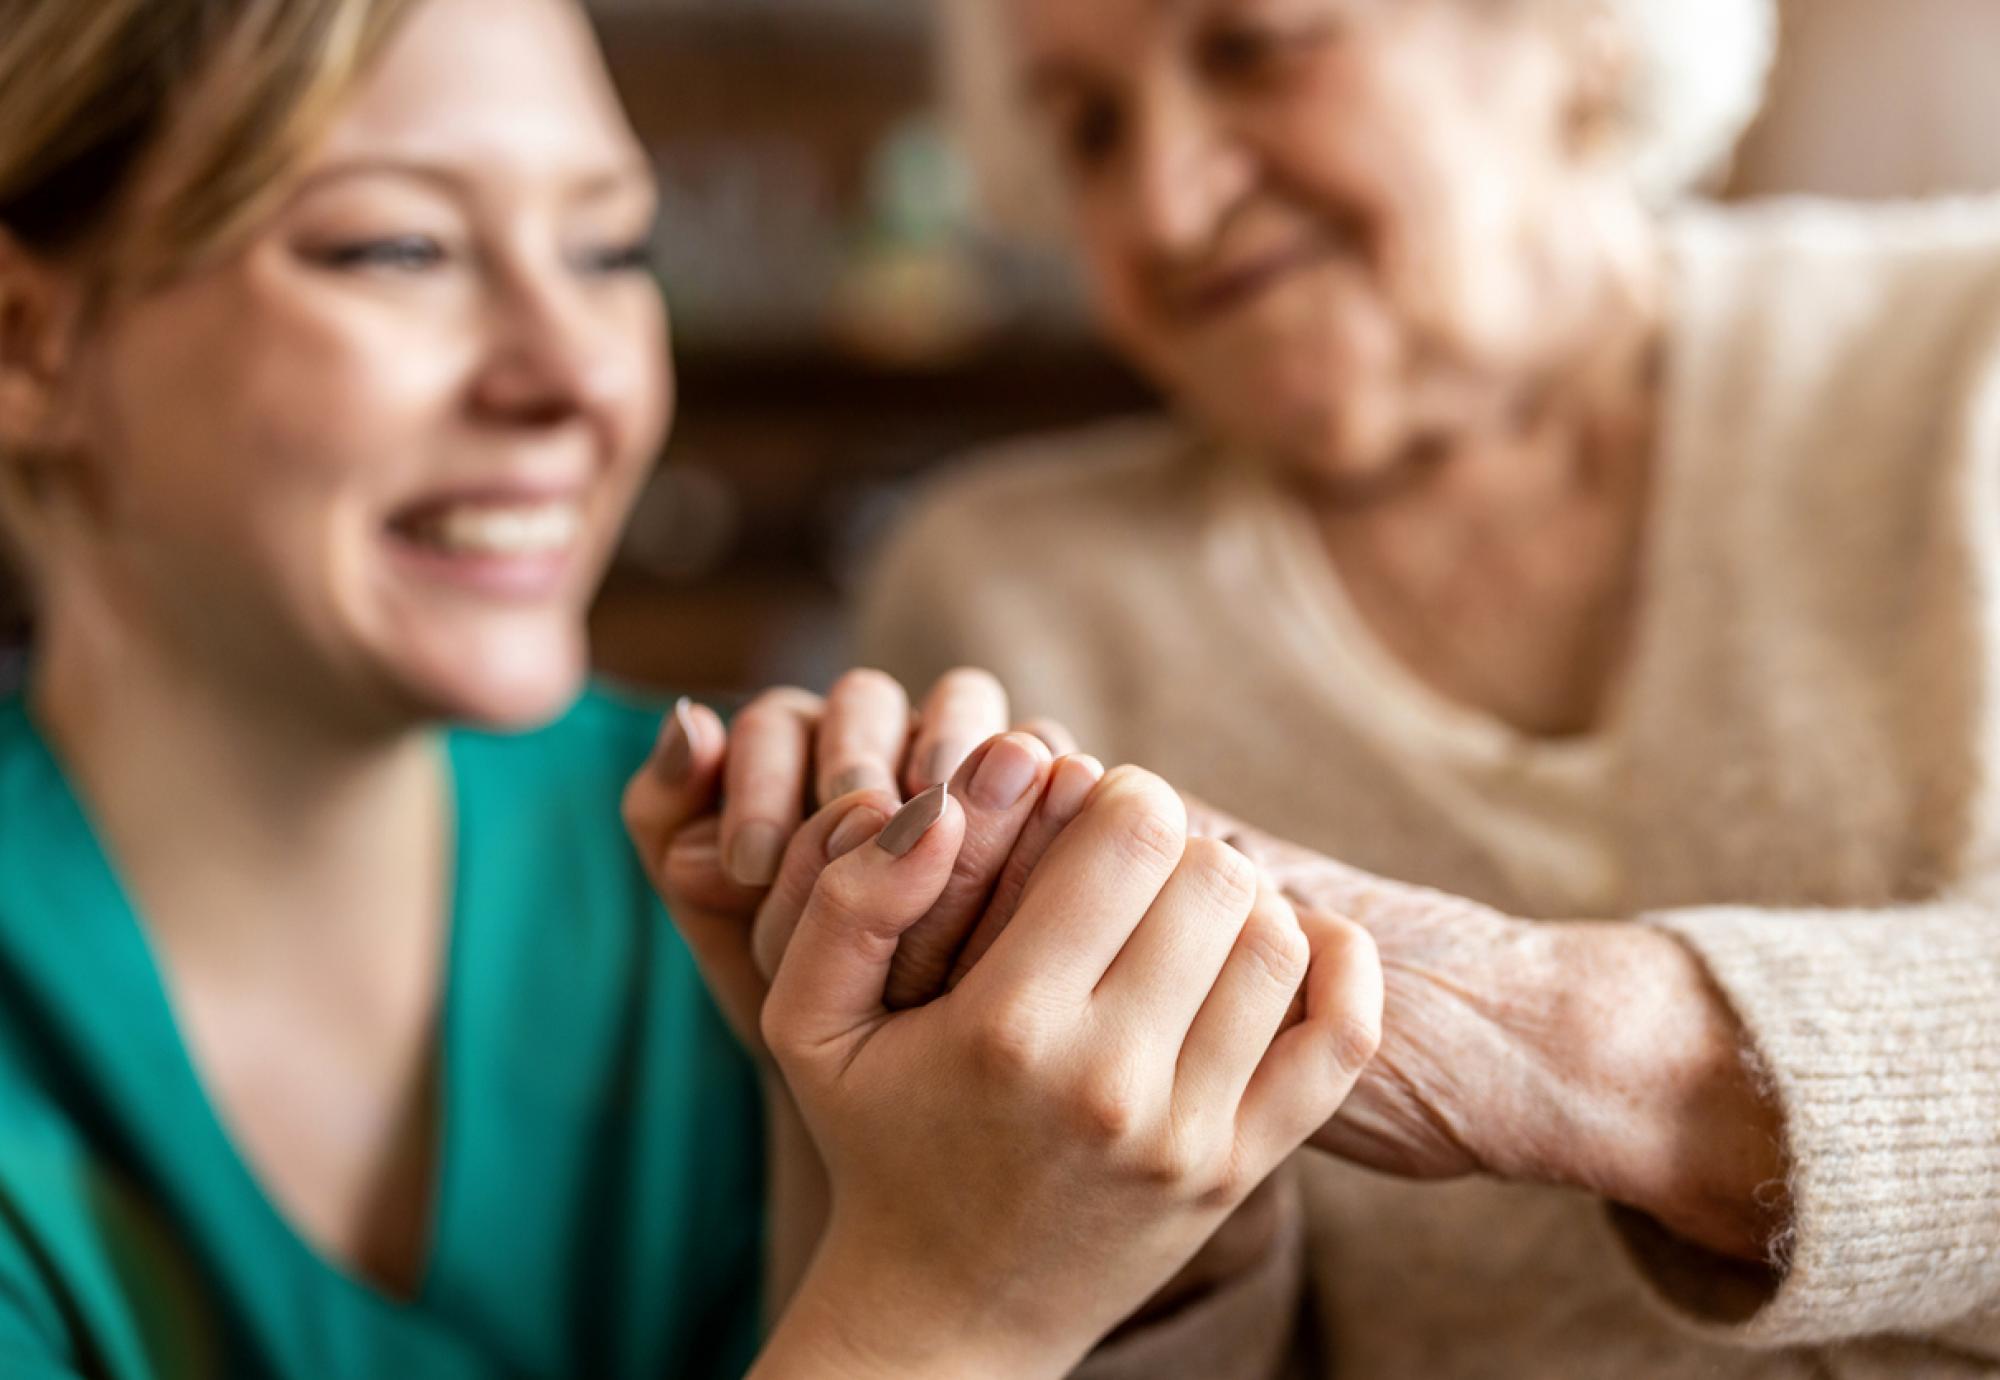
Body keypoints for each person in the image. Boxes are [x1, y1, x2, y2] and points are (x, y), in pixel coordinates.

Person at [0, 0, 1385, 1375]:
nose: (577, 373)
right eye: (400, 246)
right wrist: (953, 1310)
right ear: (25, 342)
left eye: (613, 249)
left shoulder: (761, 888)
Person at [854, 0, 2000, 1374]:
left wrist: (1555, 1039)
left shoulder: (1968, 354)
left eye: (1255, 48)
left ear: (1578, 33)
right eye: (1089, 129)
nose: (1162, 205)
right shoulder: (1013, 600)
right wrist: (1135, 1225)